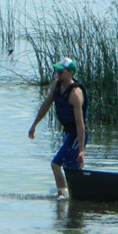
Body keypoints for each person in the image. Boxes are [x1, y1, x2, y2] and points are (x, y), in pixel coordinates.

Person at [28, 57, 88, 199]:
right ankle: (70, 196)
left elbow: (80, 125)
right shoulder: (56, 86)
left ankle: (66, 196)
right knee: (69, 168)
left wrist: (81, 150)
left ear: (70, 73)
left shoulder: (75, 94)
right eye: (57, 70)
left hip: (77, 135)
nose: (57, 73)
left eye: (61, 71)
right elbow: (46, 105)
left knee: (57, 165)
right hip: (68, 133)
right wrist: (34, 125)